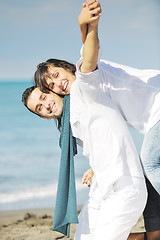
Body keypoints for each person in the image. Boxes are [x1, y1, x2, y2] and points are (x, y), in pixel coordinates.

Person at [23, 2, 148, 239]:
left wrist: (89, 25)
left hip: (124, 187)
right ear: (41, 116)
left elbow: (90, 55)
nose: (46, 103)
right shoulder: (69, 126)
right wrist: (93, 167)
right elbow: (100, 137)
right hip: (101, 191)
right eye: (39, 108)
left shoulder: (83, 88)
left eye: (45, 95)